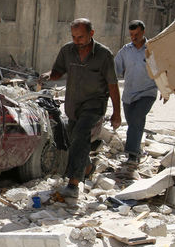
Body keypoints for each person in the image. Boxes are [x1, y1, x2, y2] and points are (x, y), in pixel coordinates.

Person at [40, 18, 121, 199]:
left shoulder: (103, 55)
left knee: (81, 134)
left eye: (81, 37)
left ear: (91, 34)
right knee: (73, 138)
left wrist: (117, 112)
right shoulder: (67, 51)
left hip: (94, 104)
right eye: (74, 37)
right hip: (73, 105)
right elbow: (58, 71)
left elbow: (113, 85)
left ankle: (74, 183)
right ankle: (88, 166)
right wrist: (49, 75)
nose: (77, 41)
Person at [114, 20, 157, 166]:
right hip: (129, 95)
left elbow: (161, 70)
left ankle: (132, 155)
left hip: (147, 92)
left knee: (137, 119)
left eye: (136, 34)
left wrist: (165, 90)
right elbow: (115, 69)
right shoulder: (126, 51)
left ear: (143, 32)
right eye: (131, 34)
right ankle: (137, 149)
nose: (133, 37)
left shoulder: (152, 49)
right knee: (133, 123)